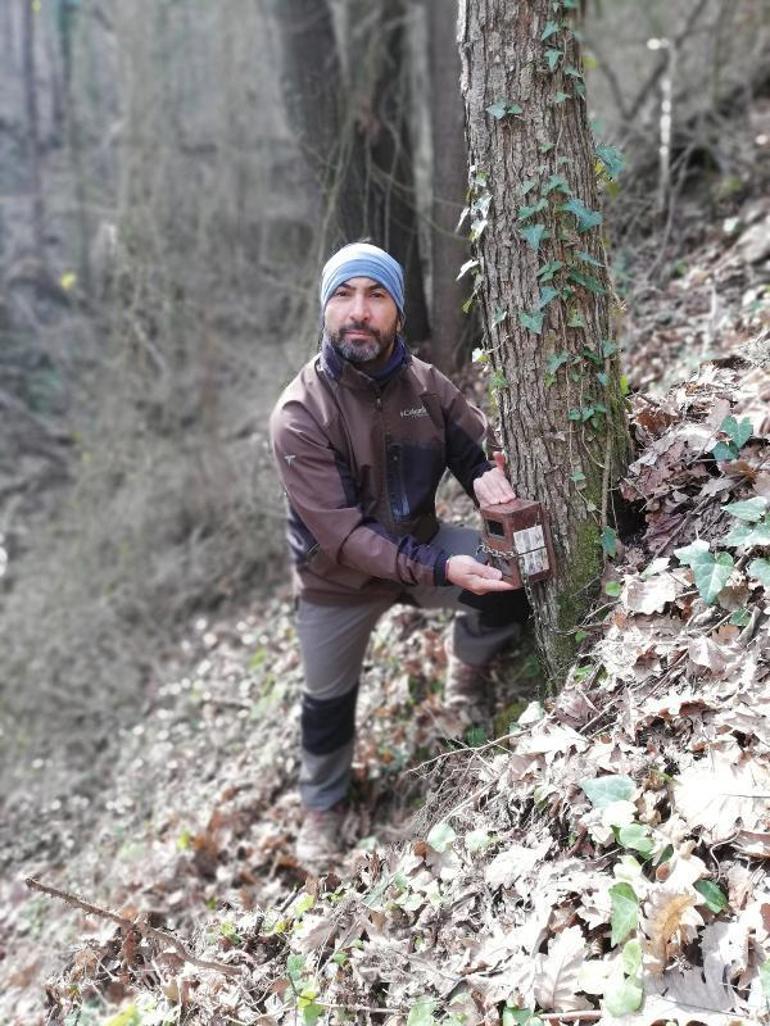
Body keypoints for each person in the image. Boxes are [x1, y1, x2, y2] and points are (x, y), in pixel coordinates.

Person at [270, 242, 530, 868]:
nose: (359, 311)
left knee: (510, 571)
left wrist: (487, 477)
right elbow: (346, 538)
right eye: (345, 295)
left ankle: (465, 668)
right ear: (325, 310)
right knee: (327, 703)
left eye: (376, 295)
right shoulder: (299, 414)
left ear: (397, 313)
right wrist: (440, 567)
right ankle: (323, 806)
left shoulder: (426, 386)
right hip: (339, 581)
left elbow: (474, 445)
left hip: (418, 547)